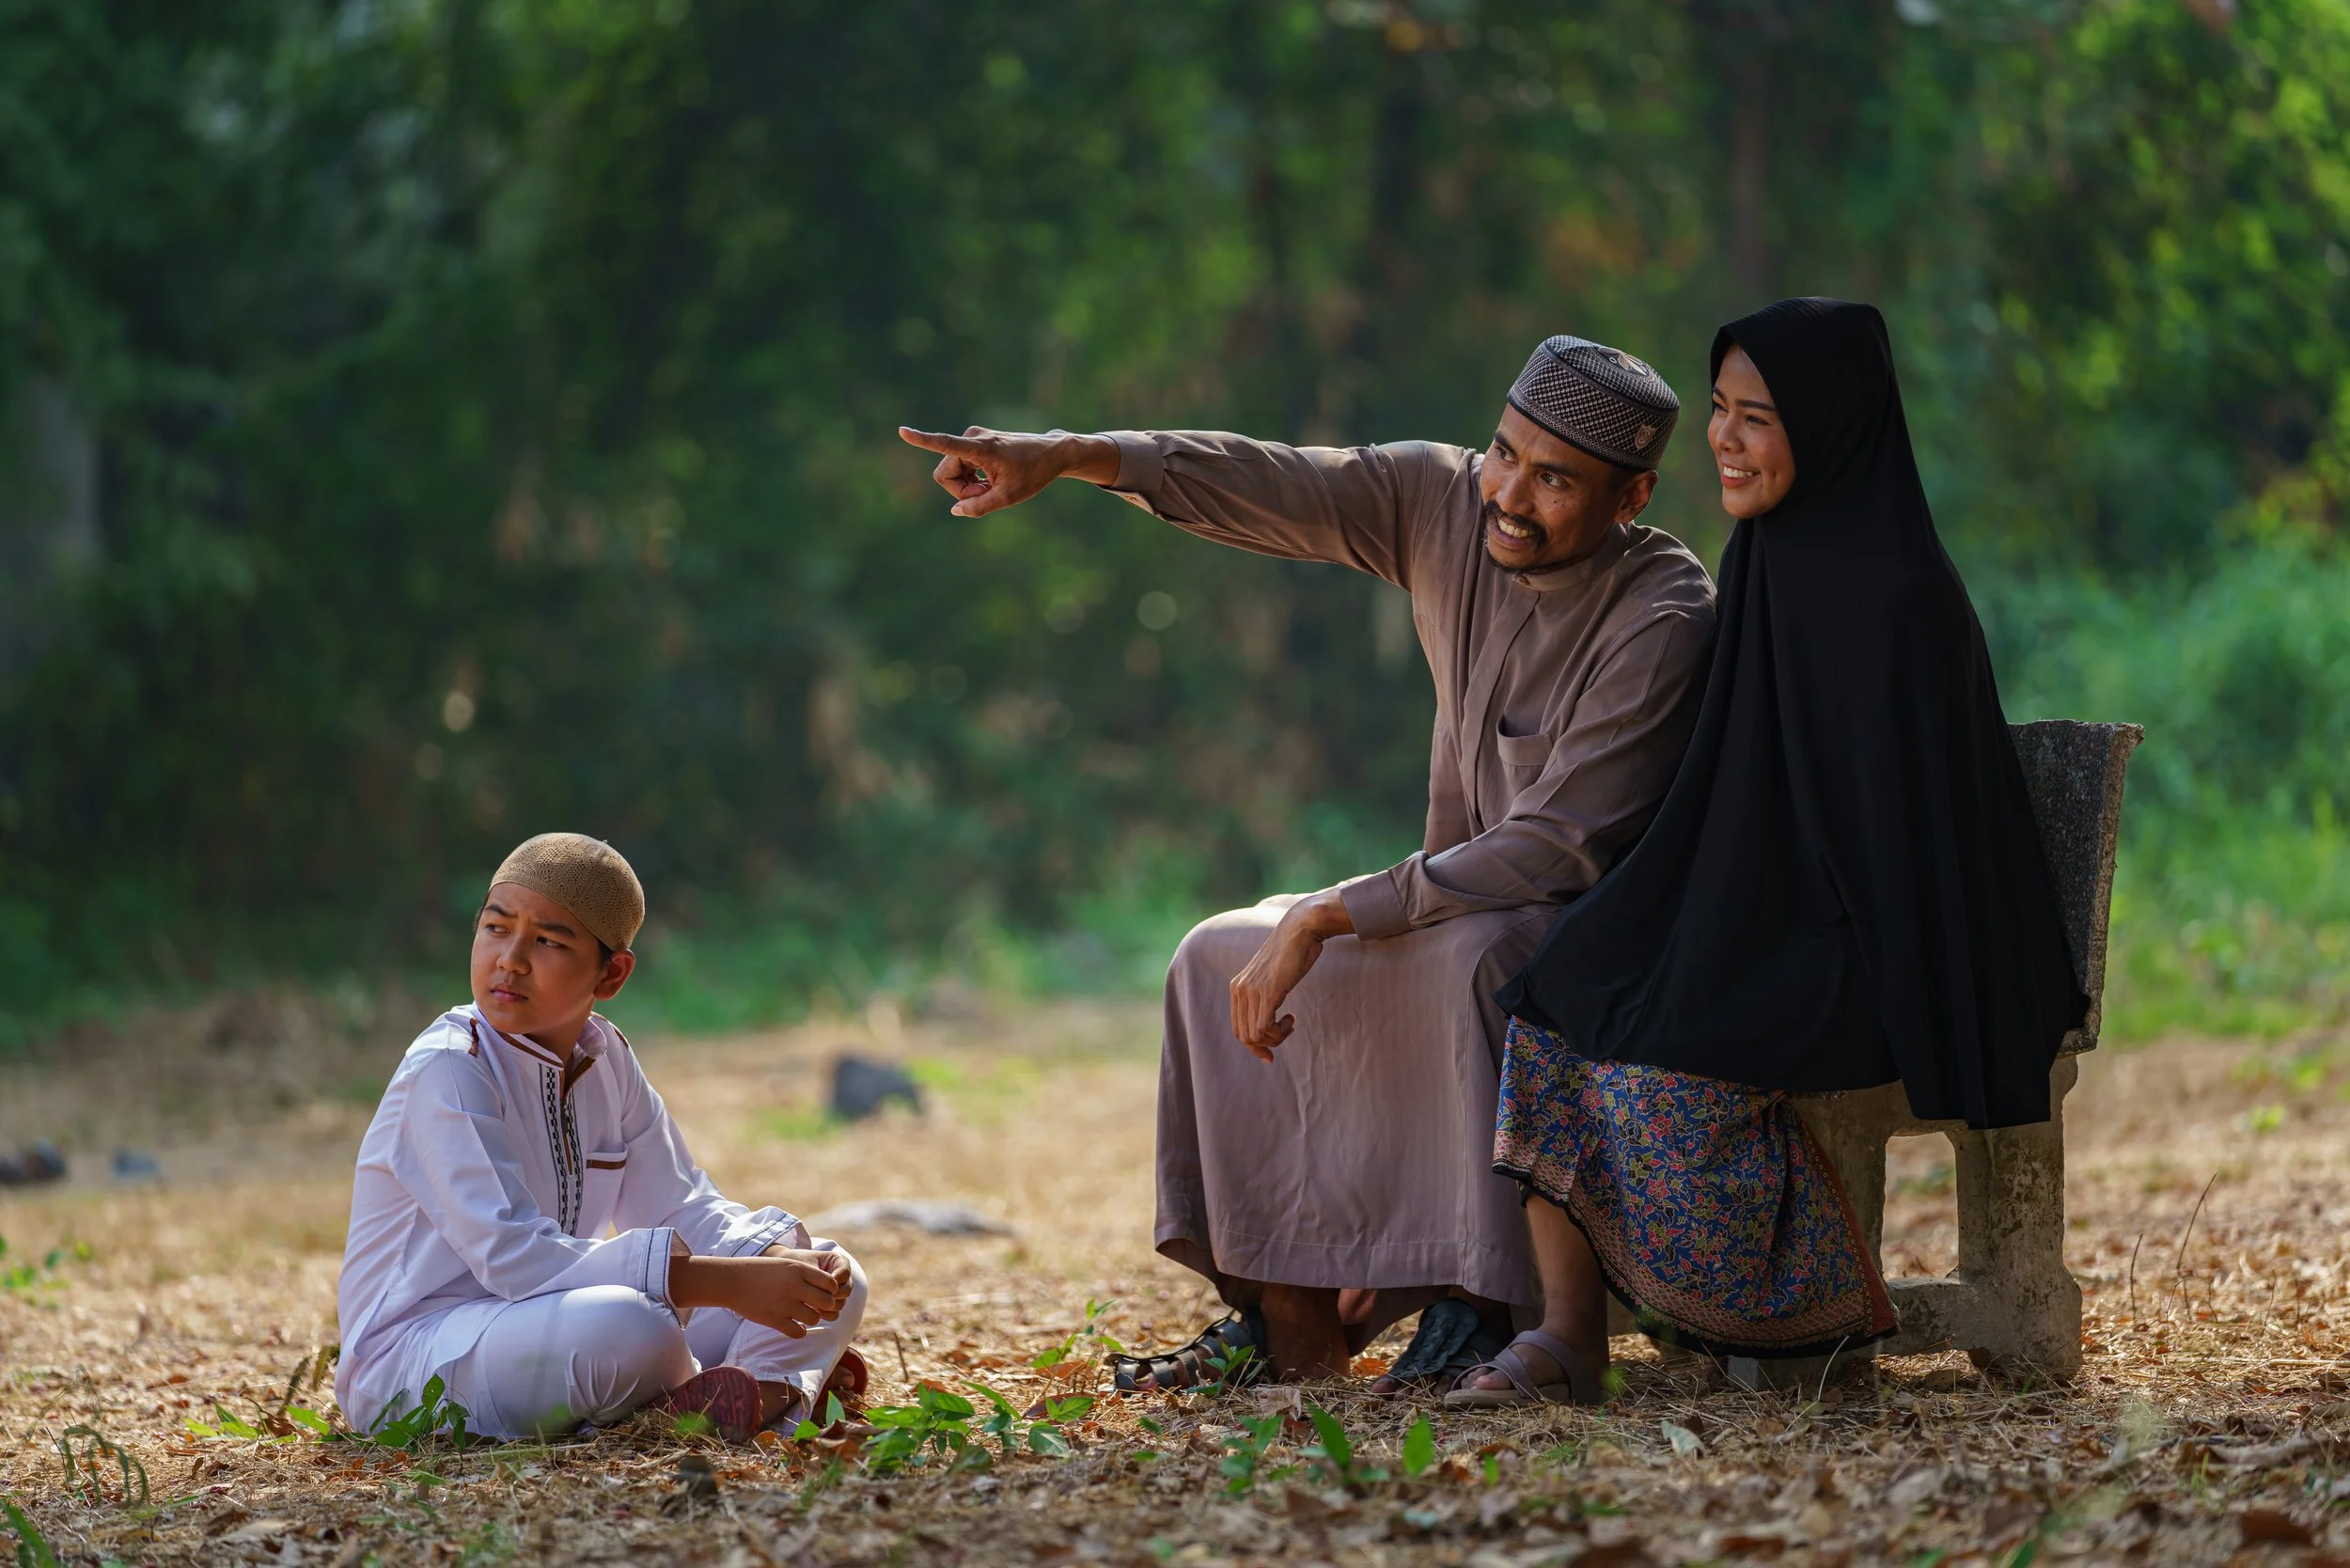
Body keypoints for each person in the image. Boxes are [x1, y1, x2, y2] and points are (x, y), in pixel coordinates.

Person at [900, 336, 1716, 1391]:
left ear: (1630, 495)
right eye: (1504, 453)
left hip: (1584, 930)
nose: (1508, 495)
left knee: (1476, 960)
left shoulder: (1662, 611)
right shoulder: (1445, 502)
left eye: (1554, 479)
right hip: (1450, 900)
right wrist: (1072, 456)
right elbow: (1276, 478)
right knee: (1210, 955)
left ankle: (1481, 1305)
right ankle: (1286, 1319)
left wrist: (1332, 911)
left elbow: (1554, 848)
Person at [1449, 298, 2083, 1408]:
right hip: (1783, 913)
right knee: (1560, 986)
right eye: (1717, 411)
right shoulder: (1760, 562)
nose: (1725, 441)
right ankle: (1567, 1334)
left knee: (1665, 1061)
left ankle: (1797, 1326)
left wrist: (1749, 935)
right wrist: (1677, 916)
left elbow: (1898, 844)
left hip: (1885, 941)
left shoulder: (1902, 598)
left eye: (1758, 418)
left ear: (1832, 426)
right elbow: (1731, 793)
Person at [336, 833, 870, 1441]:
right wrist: (728, 1282)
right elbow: (512, 1255)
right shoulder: (451, 1066)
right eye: (496, 928)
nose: (510, 959)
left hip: (547, 1323)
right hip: (418, 1357)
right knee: (633, 1330)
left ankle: (750, 1396)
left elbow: (679, 1202)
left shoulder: (604, 1057)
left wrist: (770, 1258)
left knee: (833, 1273)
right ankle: (751, 1390)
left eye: (547, 941)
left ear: (611, 973)